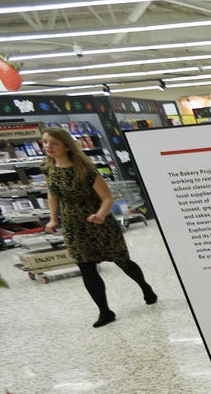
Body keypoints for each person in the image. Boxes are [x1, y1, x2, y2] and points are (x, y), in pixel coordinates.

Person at [41, 127, 156, 328]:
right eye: (45, 142)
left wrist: (101, 215)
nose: (48, 147)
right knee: (86, 268)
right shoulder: (47, 168)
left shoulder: (85, 170)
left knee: (122, 261)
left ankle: (146, 288)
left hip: (99, 223)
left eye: (54, 143)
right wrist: (53, 219)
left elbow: (107, 198)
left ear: (66, 146)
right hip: (73, 226)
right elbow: (52, 195)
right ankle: (105, 311)